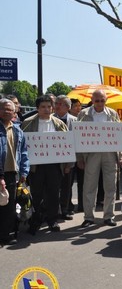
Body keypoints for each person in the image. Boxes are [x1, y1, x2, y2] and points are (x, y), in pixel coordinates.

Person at [21, 95, 72, 234]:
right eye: (43, 107)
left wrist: (68, 164)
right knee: (36, 194)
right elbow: (22, 146)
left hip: (54, 165)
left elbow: (67, 145)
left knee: (54, 194)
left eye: (49, 107)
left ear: (53, 107)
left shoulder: (59, 124)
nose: (46, 109)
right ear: (37, 108)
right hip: (35, 166)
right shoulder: (27, 123)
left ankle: (52, 220)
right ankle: (35, 221)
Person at [76, 90, 122, 228]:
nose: (99, 103)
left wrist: (121, 155)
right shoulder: (83, 114)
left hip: (110, 153)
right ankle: (88, 217)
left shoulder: (113, 114)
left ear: (106, 100)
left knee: (110, 186)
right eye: (96, 100)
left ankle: (109, 216)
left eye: (102, 100)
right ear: (92, 100)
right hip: (91, 153)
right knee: (89, 186)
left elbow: (119, 135)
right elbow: (77, 136)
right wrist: (79, 157)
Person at [0, 99, 29, 245]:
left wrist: (24, 172)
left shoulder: (18, 131)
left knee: (9, 207)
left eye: (9, 109)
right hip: (0, 174)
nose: (6, 112)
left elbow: (24, 153)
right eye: (3, 109)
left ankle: (5, 235)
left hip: (12, 173)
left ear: (14, 112)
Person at [53, 95, 77, 220]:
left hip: (69, 159)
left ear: (68, 107)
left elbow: (76, 142)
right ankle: (53, 210)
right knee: (53, 186)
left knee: (67, 186)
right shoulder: (50, 120)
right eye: (56, 103)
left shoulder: (75, 121)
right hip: (53, 159)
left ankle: (65, 209)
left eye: (60, 104)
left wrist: (70, 162)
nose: (57, 106)